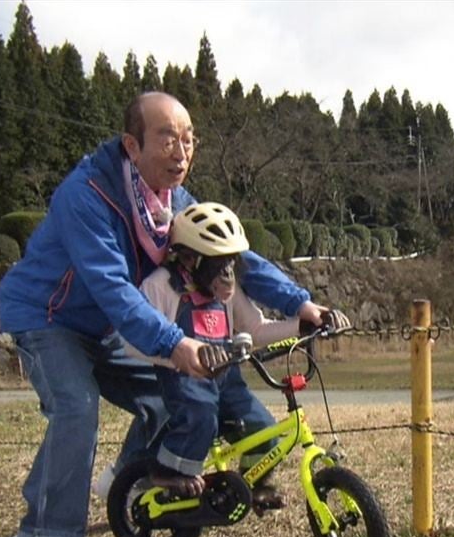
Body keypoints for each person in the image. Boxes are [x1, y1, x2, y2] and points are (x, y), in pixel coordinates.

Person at [0, 92, 333, 537]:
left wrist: (299, 302)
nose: (182, 150)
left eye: (189, 138)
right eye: (168, 138)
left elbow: (232, 255)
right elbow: (112, 287)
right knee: (76, 407)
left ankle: (126, 481)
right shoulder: (86, 194)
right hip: (49, 317)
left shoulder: (171, 200)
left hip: (110, 327)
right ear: (132, 144)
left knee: (164, 400)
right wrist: (176, 343)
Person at [124, 201, 350, 507]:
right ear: (190, 259)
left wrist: (301, 325)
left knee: (265, 431)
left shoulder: (227, 294)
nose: (229, 274)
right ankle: (166, 472)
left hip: (227, 378)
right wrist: (177, 354)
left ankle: (249, 486)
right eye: (220, 265)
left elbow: (255, 329)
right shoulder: (161, 286)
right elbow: (133, 342)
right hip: (184, 378)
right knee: (200, 415)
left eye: (232, 263)